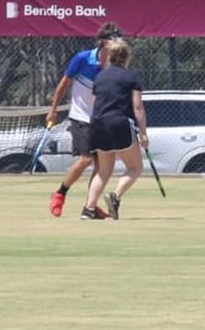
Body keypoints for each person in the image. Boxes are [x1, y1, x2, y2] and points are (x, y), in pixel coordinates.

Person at [45, 22, 124, 216]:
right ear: (103, 42)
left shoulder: (116, 65)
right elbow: (63, 84)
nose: (118, 43)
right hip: (80, 117)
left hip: (102, 120)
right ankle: (60, 193)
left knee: (101, 167)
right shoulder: (82, 59)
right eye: (114, 39)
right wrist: (53, 110)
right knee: (85, 159)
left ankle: (90, 206)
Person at [81, 37, 147, 220]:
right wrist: (143, 133)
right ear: (127, 57)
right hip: (119, 123)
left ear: (110, 56)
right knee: (135, 168)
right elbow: (137, 107)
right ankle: (115, 196)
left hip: (98, 123)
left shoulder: (100, 77)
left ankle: (89, 209)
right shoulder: (131, 77)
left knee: (103, 171)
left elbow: (96, 103)